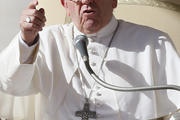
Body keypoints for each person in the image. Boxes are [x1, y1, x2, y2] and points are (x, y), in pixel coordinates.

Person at [0, 0, 180, 119]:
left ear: (114, 1)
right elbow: (10, 84)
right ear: (65, 5)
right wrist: (26, 41)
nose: (87, 1)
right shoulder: (45, 40)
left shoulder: (154, 44)